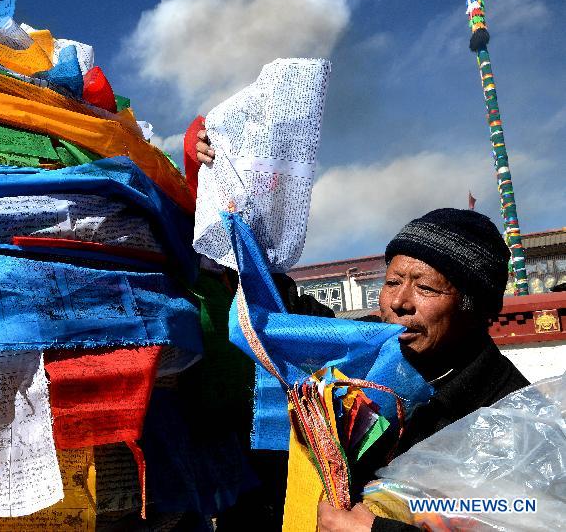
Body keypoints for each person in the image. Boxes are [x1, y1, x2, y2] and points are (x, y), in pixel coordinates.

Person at [189, 128, 530, 531]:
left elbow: (515, 515)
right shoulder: (358, 351)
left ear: (478, 311)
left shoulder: (513, 415)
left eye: (425, 287)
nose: (399, 302)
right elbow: (279, 312)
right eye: (391, 283)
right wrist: (223, 179)